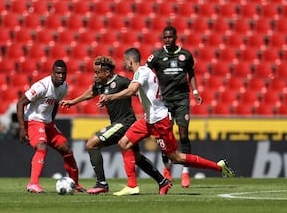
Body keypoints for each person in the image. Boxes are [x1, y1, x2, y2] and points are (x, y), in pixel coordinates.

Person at [98, 48, 234, 196]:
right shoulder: (145, 72)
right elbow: (141, 92)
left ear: (130, 61)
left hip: (160, 121)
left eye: (125, 62)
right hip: (149, 120)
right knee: (124, 143)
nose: (125, 65)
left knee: (176, 157)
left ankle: (218, 167)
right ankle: (132, 185)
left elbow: (131, 90)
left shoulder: (141, 72)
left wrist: (111, 97)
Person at [60, 56, 171, 195]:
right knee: (136, 157)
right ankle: (162, 181)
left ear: (107, 73)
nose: (95, 75)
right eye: (94, 72)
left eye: (97, 72)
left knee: (91, 144)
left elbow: (137, 89)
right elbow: (91, 92)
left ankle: (102, 183)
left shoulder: (121, 81)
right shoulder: (100, 84)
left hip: (125, 122)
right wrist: (73, 102)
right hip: (119, 123)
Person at [146, 25, 203, 188]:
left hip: (182, 100)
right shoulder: (157, 56)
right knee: (166, 137)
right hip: (164, 102)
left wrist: (196, 91)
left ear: (176, 37)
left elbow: (191, 74)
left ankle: (185, 172)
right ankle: (167, 170)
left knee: (184, 136)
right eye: (165, 37)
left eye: (170, 37)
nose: (167, 40)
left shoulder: (186, 55)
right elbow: (145, 71)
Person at [16, 59, 86, 193]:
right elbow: (20, 104)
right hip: (33, 121)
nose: (61, 76)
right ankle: (33, 184)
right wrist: (22, 129)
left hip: (48, 124)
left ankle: (75, 184)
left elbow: (54, 105)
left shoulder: (64, 87)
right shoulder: (41, 86)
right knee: (41, 146)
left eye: (63, 74)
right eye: (58, 73)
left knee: (66, 149)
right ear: (52, 73)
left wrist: (52, 122)